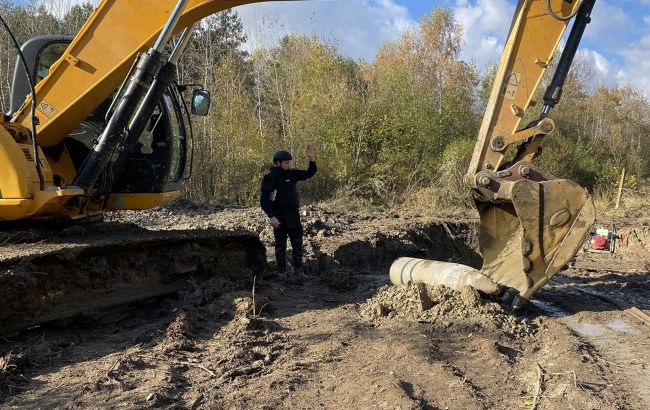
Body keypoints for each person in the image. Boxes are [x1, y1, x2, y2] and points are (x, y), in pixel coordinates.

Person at [260, 145, 317, 282]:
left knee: (297, 243)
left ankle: (299, 272)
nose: (289, 165)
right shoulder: (270, 177)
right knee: (280, 245)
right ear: (278, 163)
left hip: (293, 214)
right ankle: (282, 274)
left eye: (290, 163)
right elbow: (264, 200)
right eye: (286, 163)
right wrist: (271, 216)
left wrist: (311, 159)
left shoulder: (292, 173)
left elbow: (309, 173)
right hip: (278, 216)